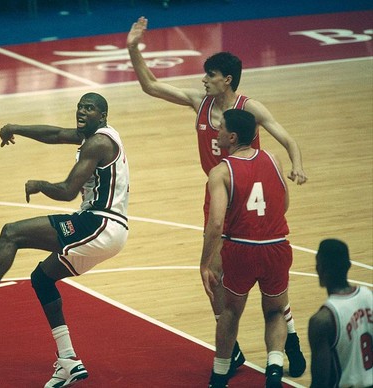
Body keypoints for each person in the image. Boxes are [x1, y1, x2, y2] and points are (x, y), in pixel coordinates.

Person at [127, 16, 307, 377]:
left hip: (250, 194)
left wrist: (297, 166)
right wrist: (133, 49)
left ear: (226, 79)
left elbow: (286, 138)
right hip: (220, 191)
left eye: (209, 75)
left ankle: (289, 338)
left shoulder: (249, 108)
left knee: (260, 280)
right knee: (215, 277)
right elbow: (151, 86)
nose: (203, 79)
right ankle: (236, 346)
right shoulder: (199, 102)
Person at [0, 92, 129, 387]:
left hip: (99, 223)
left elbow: (66, 191)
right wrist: (15, 128)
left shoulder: (99, 142)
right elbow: (54, 134)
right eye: (79, 107)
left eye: (89, 109)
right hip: (106, 229)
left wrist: (39, 184)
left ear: (102, 116)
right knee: (42, 279)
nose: (82, 112)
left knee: (11, 233)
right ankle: (68, 361)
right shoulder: (90, 136)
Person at [201, 109, 292, 387]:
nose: (216, 132)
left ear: (232, 136)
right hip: (277, 246)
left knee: (230, 312)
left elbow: (216, 223)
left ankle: (219, 375)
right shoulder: (273, 159)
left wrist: (205, 262)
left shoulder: (221, 171)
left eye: (221, 128)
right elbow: (284, 202)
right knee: (275, 311)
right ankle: (274, 368)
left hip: (241, 248)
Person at [308, 239, 373, 388]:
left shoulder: (322, 321)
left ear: (320, 267)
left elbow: (320, 382)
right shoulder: (368, 296)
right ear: (349, 266)